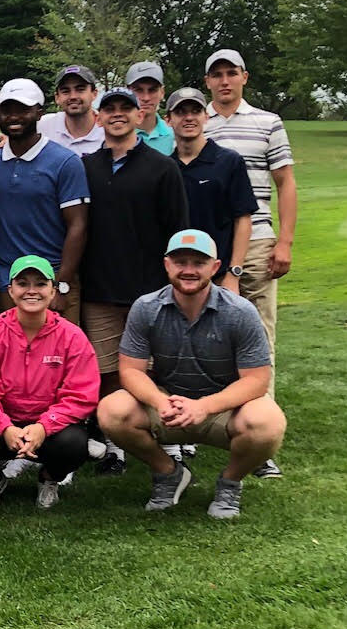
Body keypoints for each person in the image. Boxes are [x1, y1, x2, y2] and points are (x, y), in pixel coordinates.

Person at [99, 229, 287, 519]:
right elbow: (130, 371)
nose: (188, 270)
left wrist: (204, 407)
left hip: (224, 408)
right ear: (166, 265)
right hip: (168, 404)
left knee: (268, 422)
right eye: (180, 261)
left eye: (198, 263)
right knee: (112, 410)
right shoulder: (146, 307)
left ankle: (230, 483)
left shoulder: (240, 312)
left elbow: (257, 380)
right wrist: (160, 403)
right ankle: (169, 473)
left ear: (214, 267)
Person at [201, 47, 297, 478]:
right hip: (205, 247)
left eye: (231, 73)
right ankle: (215, 424)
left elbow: (285, 183)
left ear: (244, 77)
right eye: (217, 75)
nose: (224, 81)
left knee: (259, 337)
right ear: (207, 82)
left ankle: (261, 433)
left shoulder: (267, 123)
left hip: (257, 241)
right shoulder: (195, 120)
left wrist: (285, 242)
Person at [0, 256, 99, 510]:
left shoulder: (72, 337)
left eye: (40, 283)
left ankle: (49, 478)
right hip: (3, 425)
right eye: (23, 283)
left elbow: (81, 395)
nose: (32, 291)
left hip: (50, 428)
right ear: (10, 290)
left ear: (53, 290)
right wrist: (5, 427)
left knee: (75, 444)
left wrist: (44, 427)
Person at [78, 86, 189, 392]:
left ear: (140, 115)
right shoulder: (85, 168)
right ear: (98, 118)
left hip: (150, 289)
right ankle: (115, 435)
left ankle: (162, 431)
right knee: (107, 369)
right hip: (99, 290)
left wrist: (175, 282)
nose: (117, 114)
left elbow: (177, 230)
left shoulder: (163, 167)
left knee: (152, 367)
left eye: (125, 108)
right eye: (109, 109)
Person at [0, 79, 89, 326]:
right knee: (10, 358)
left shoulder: (65, 162)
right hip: (5, 279)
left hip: (52, 277)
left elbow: (78, 225)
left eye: (23, 109)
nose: (14, 116)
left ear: (39, 112)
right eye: (7, 110)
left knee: (59, 358)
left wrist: (62, 284)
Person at [166, 88, 256, 292]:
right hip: (177, 276)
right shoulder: (164, 168)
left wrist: (234, 273)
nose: (189, 118)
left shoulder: (229, 162)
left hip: (219, 274)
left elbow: (243, 219)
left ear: (205, 116)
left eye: (195, 111)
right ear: (168, 120)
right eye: (180, 112)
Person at [37, 65, 104, 156]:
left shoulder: (108, 129)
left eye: (80, 89)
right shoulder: (42, 126)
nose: (73, 96)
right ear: (57, 97)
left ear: (94, 94)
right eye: (65, 91)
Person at [127, 61, 176, 155]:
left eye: (152, 90)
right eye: (139, 90)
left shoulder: (174, 136)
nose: (146, 98)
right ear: (127, 92)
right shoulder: (116, 134)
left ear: (162, 92)